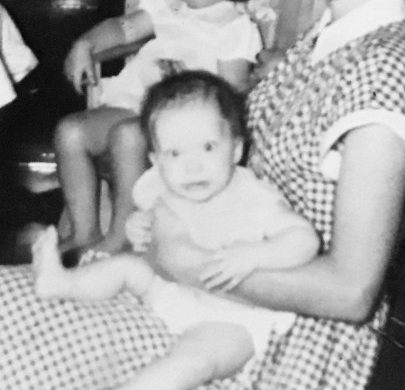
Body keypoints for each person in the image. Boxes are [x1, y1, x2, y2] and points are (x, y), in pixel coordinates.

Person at [0, 0, 405, 390]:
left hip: (274, 340)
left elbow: (350, 293)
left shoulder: (382, 78)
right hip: (207, 268)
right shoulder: (332, 36)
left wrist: (182, 262)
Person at [32, 70, 319, 390]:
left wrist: (255, 256)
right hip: (176, 291)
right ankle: (62, 284)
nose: (192, 166)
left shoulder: (252, 196)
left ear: (236, 149)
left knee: (195, 358)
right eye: (175, 153)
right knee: (125, 267)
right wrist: (139, 226)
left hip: (232, 317)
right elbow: (153, 219)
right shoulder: (164, 186)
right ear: (156, 160)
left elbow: (304, 240)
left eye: (208, 147)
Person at [55, 0, 271, 256]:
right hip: (132, 105)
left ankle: (121, 236)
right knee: (70, 131)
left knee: (127, 135)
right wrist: (85, 44)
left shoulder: (233, 27)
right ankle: (84, 231)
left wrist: (189, 90)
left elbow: (231, 94)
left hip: (182, 128)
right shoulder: (164, 5)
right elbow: (122, 29)